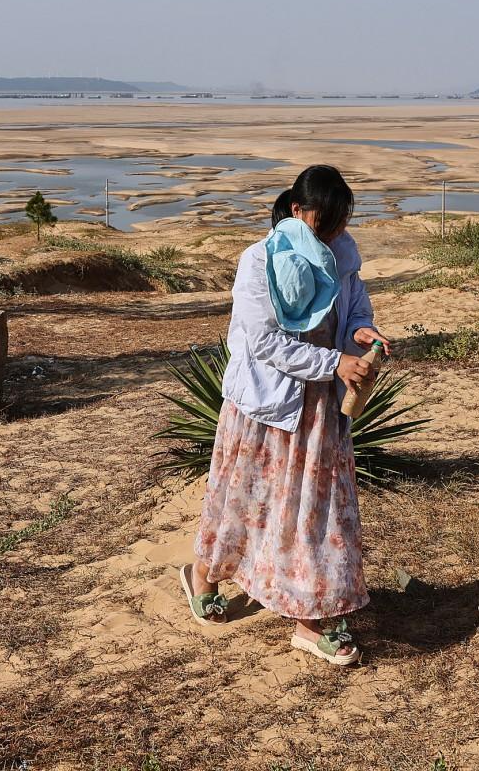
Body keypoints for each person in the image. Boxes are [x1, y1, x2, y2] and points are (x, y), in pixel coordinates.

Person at [180, 165, 388, 666]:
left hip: (321, 412)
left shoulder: (343, 256)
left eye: (341, 223)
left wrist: (361, 333)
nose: (334, 233)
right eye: (326, 223)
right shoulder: (259, 262)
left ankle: (308, 617)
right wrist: (334, 361)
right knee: (243, 501)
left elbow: (355, 309)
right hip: (266, 407)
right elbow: (266, 343)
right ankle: (202, 576)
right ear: (297, 210)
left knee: (315, 515)